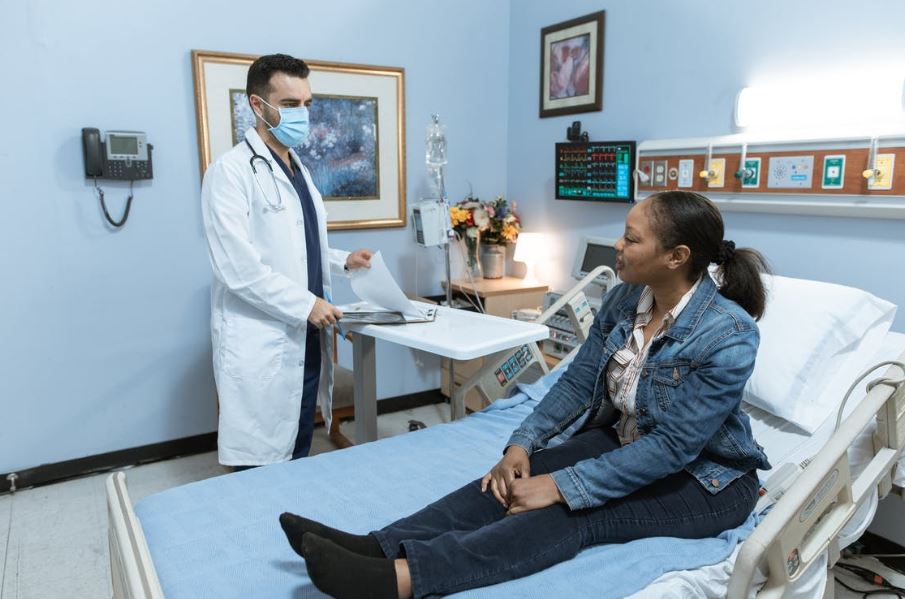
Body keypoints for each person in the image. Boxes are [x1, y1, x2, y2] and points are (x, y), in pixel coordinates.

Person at [279, 190, 773, 598]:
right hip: (626, 441)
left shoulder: (728, 333)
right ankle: (379, 545)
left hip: (707, 480)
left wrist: (562, 487)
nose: (616, 246)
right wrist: (522, 443)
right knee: (508, 480)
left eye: (630, 238)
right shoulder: (628, 299)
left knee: (572, 511)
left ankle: (400, 580)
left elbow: (673, 447)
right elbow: (579, 381)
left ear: (676, 256)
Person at [201, 54, 373, 470]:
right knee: (258, 463)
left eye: (307, 104)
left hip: (304, 334)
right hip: (266, 337)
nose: (303, 114)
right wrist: (307, 305)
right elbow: (237, 269)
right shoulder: (229, 173)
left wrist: (342, 260)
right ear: (258, 106)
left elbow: (299, 246)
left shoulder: (300, 170)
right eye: (291, 104)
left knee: (297, 447)